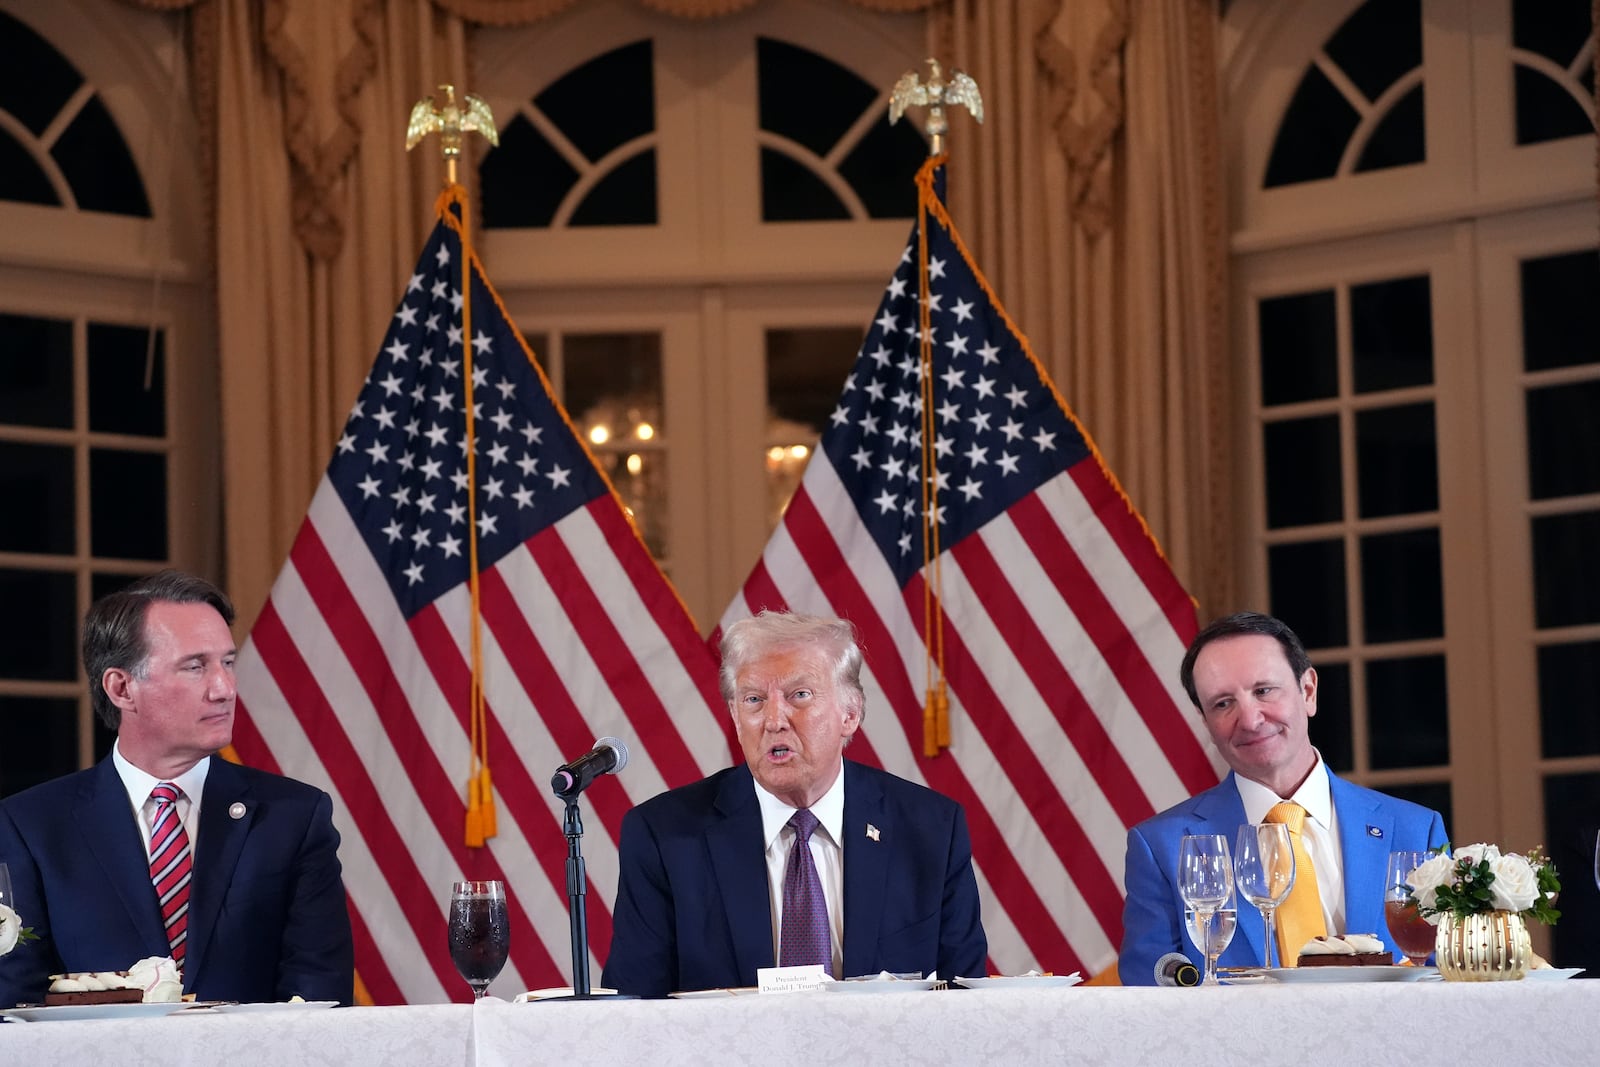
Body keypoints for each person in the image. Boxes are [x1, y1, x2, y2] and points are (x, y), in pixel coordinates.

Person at [0, 571, 354, 1007]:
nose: (224, 689)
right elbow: (13, 1008)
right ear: (122, 687)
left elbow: (320, 993)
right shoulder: (30, 826)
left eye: (227, 662)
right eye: (195, 666)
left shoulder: (294, 816)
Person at [602, 611, 987, 997]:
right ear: (736, 716)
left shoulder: (930, 829)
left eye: (798, 696)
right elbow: (633, 1011)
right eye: (753, 700)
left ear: (850, 715)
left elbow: (965, 1002)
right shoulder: (664, 837)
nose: (773, 720)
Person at [1119, 611, 1448, 984]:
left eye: (1263, 691)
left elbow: (1447, 979)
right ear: (1204, 720)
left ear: (1308, 691)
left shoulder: (1416, 831)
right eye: (1223, 703)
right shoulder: (1162, 847)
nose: (1250, 719)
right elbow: (1146, 995)